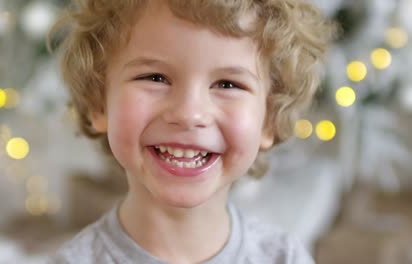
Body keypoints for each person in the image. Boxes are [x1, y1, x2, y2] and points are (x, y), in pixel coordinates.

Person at [48, 0, 336, 263]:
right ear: (99, 102)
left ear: (269, 118)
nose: (189, 114)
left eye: (227, 84)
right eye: (155, 77)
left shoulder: (285, 257)